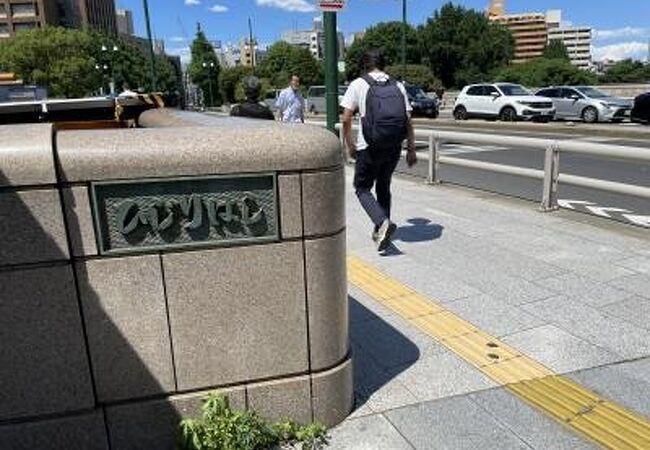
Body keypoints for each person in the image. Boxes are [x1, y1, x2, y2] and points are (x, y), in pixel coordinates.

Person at [340, 49, 417, 252]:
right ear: (383, 64)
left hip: (369, 146)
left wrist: (349, 145)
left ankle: (382, 223)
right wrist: (411, 148)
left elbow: (346, 118)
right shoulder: (397, 84)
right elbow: (408, 119)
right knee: (384, 186)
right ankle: (382, 230)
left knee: (362, 188)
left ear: (365, 65)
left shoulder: (358, 84)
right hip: (393, 146)